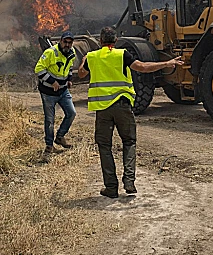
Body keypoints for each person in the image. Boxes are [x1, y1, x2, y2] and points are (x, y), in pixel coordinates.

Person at [78, 27, 184, 198]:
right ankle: (129, 181)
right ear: (116, 40)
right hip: (122, 106)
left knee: (104, 146)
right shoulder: (122, 54)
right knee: (129, 142)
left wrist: (84, 61)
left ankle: (111, 188)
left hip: (102, 109)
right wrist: (166, 63)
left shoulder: (92, 57)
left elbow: (82, 74)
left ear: (100, 41)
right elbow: (143, 67)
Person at [34, 31, 77, 155]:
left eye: (70, 42)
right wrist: (52, 82)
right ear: (61, 41)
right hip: (48, 92)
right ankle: (49, 145)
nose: (67, 45)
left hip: (63, 91)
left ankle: (60, 136)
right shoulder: (50, 53)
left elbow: (69, 67)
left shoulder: (72, 53)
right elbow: (39, 69)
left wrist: (69, 79)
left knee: (71, 113)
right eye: (65, 42)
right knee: (50, 120)